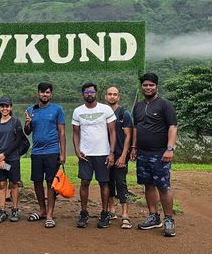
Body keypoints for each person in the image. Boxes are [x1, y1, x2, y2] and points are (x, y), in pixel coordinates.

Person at [131, 72, 178, 237]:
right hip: (143, 153)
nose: (148, 88)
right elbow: (136, 128)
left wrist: (170, 149)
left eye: (151, 85)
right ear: (141, 87)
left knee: (163, 187)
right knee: (148, 185)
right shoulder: (138, 106)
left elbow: (172, 127)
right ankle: (153, 217)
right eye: (145, 85)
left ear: (156, 86)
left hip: (160, 154)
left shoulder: (164, 104)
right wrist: (134, 147)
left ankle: (169, 219)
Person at [72, 82, 117, 229]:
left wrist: (111, 153)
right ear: (83, 94)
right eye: (86, 92)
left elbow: (112, 132)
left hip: (103, 153)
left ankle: (104, 213)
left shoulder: (106, 109)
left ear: (96, 93)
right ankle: (84, 213)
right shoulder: (78, 111)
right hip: (86, 154)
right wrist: (77, 150)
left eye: (91, 92)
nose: (89, 94)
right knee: (85, 182)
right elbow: (76, 133)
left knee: (104, 183)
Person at [24, 82, 66, 229]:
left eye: (47, 92)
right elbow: (27, 131)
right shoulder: (31, 110)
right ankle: (41, 210)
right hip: (36, 152)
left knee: (50, 183)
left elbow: (61, 132)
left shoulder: (57, 110)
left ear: (51, 94)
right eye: (42, 92)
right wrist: (28, 122)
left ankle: (49, 214)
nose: (44, 95)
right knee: (37, 182)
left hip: (52, 151)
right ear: (38, 94)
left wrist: (63, 153)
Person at [0, 96, 23, 223]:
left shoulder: (15, 122)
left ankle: (15, 209)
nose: (5, 108)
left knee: (13, 184)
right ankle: (2, 211)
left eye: (7, 106)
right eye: (2, 106)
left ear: (11, 107)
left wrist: (5, 154)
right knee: (2, 184)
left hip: (13, 158)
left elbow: (18, 140)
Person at [105, 86, 133, 229]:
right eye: (109, 94)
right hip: (105, 154)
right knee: (108, 183)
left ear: (118, 97)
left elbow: (128, 136)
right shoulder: (102, 112)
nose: (112, 97)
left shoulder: (124, 114)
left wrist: (123, 156)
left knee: (121, 183)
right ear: (105, 97)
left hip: (120, 154)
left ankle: (125, 214)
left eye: (115, 94)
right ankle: (111, 210)